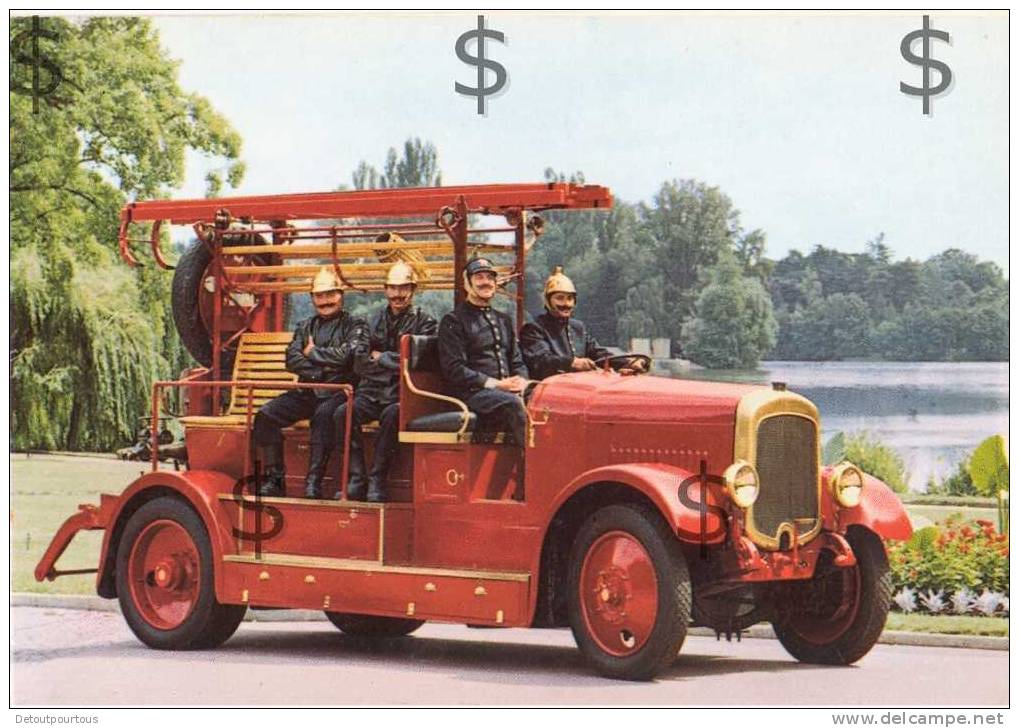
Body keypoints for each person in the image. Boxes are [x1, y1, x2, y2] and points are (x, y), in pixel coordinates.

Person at [252, 266, 369, 499]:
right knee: (265, 415)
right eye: (319, 295)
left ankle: (313, 483)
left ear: (341, 295)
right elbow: (292, 358)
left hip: (339, 391)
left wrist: (313, 353)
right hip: (307, 390)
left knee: (324, 416)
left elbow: (349, 356)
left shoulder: (356, 324)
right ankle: (275, 479)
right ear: (312, 298)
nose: (325, 300)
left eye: (330, 294)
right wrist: (320, 372)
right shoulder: (305, 326)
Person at [335, 260, 437, 502]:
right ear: (385, 290)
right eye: (392, 288)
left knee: (393, 415)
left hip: (403, 395)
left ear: (413, 290)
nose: (397, 294)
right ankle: (356, 477)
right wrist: (393, 364)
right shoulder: (370, 321)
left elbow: (418, 360)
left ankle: (377, 479)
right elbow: (359, 361)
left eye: (403, 289)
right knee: (343, 413)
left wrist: (382, 358)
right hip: (372, 392)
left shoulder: (426, 322)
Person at [438, 257, 531, 461]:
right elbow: (454, 369)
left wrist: (521, 381)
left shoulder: (503, 319)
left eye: (490, 277)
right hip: (470, 395)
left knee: (545, 397)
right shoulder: (453, 321)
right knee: (512, 403)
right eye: (479, 277)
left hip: (504, 393)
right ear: (467, 283)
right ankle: (534, 469)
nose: (486, 282)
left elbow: (517, 361)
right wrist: (498, 385)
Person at [521, 266, 648, 379]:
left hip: (581, 387)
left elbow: (598, 353)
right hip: (548, 391)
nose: (566, 304)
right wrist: (571, 363)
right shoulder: (533, 329)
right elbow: (541, 360)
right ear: (548, 301)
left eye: (570, 299)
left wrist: (628, 362)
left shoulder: (577, 327)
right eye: (560, 298)